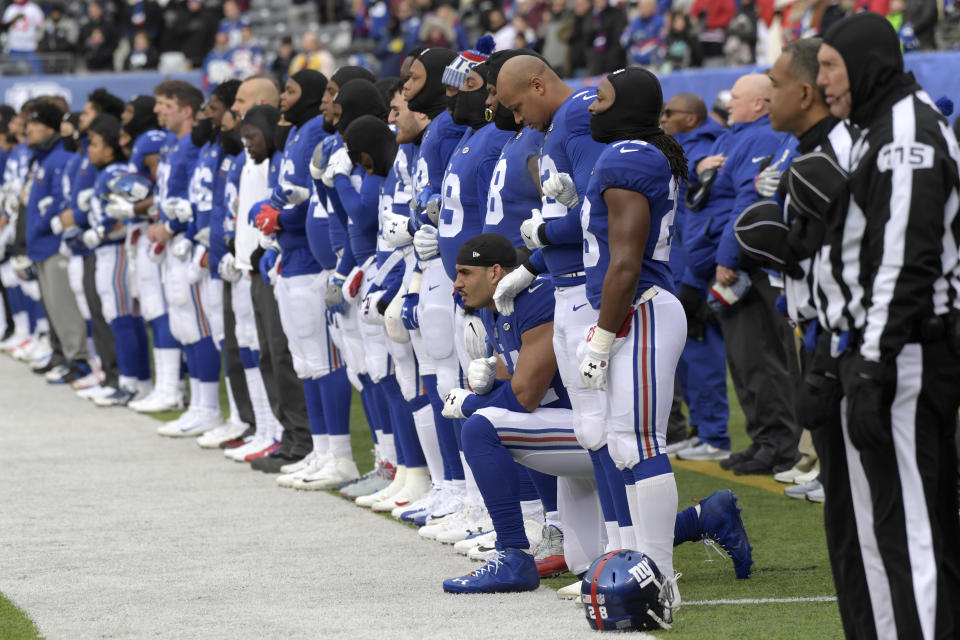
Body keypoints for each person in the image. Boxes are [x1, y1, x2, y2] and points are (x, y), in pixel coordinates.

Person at [814, 13, 960, 637]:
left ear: (866, 63)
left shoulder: (905, 131)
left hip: (909, 351)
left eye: (829, 67)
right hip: (897, 348)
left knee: (918, 536)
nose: (822, 83)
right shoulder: (881, 126)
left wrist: (871, 362)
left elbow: (904, 260)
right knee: (899, 530)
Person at [659, 93, 731, 460]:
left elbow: (697, 218)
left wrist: (693, 273)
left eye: (670, 113)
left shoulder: (697, 146)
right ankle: (702, 430)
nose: (664, 118)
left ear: (690, 118)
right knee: (685, 354)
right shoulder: (678, 147)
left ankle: (715, 435)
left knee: (702, 352)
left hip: (695, 268)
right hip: (681, 266)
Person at [2, 0, 44, 74]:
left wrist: (38, 40)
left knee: (36, 69)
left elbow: (40, 25)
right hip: (14, 44)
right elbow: (5, 26)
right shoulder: (11, 9)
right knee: (13, 69)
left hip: (30, 45)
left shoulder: (33, 8)